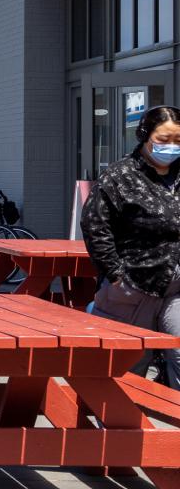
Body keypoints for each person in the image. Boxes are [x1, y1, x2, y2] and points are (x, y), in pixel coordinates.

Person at [82, 104, 180, 385]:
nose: (171, 147)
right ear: (145, 135)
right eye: (163, 139)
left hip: (176, 288)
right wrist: (115, 274)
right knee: (129, 364)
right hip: (134, 284)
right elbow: (95, 225)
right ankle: (116, 425)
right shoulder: (120, 176)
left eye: (178, 140)